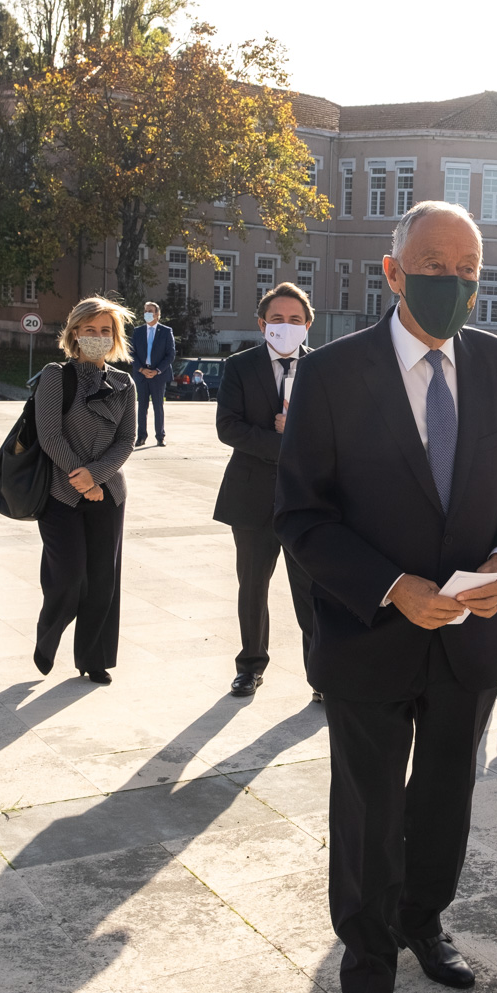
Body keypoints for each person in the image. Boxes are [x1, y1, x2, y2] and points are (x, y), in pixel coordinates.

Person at [276, 201, 497, 993]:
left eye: (469, 272)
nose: (453, 285)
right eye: (435, 267)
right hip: (369, 638)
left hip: (468, 639)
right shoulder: (332, 374)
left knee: (444, 800)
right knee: (368, 813)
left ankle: (424, 921)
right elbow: (302, 518)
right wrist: (394, 588)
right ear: (393, 272)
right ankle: (366, 982)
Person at [214, 281, 319, 699]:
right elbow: (228, 427)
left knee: (312, 590)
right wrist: (283, 443)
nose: (286, 326)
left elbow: (339, 432)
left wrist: (299, 432)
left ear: (308, 324)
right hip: (251, 495)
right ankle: (250, 666)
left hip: (306, 499)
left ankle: (321, 674)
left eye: (295, 319)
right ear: (262, 324)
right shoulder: (239, 366)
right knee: (253, 587)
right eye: (277, 319)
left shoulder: (323, 368)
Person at [33, 296, 138, 685]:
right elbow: (49, 435)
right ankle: (49, 633)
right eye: (90, 329)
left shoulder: (125, 383)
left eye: (105, 330)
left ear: (115, 337)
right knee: (69, 577)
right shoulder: (55, 376)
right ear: (75, 332)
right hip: (61, 492)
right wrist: (80, 479)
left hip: (109, 493)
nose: (98, 336)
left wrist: (95, 477)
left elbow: (127, 440)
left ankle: (95, 658)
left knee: (102, 582)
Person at [129, 300, 175, 447]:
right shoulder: (138, 331)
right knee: (142, 406)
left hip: (158, 375)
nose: (147, 314)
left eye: (150, 311)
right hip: (141, 375)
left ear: (157, 314)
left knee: (158, 406)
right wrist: (141, 369)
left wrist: (157, 371)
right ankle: (141, 437)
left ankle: (160, 436)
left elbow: (170, 354)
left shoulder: (166, 331)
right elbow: (131, 353)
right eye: (145, 311)